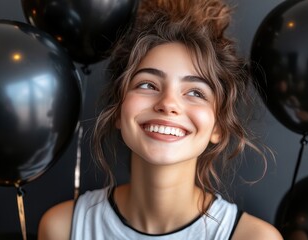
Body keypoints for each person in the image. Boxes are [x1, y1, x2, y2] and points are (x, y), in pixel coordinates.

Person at [38, 0, 283, 239]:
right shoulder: (62, 228)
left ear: (218, 126)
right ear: (118, 111)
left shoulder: (253, 237)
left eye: (196, 92)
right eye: (147, 84)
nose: (168, 104)